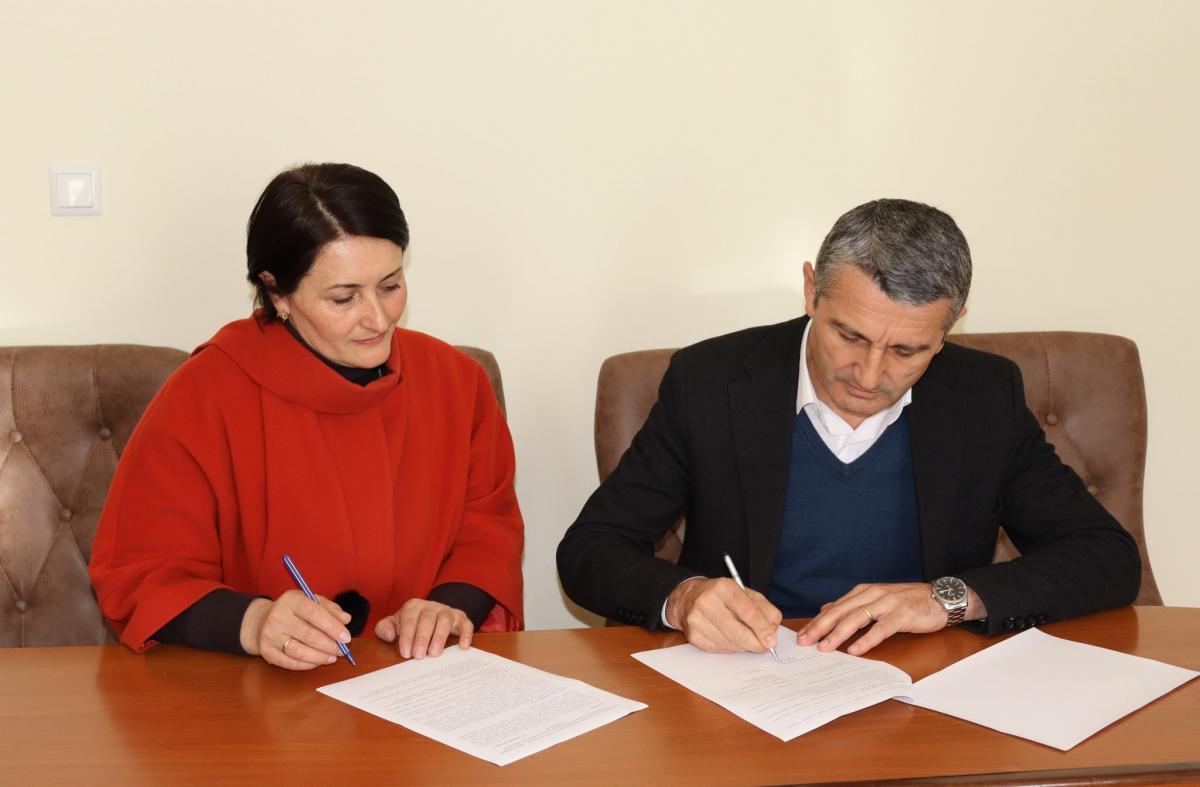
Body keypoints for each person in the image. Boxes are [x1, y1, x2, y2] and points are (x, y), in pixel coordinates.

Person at [557, 198, 1140, 657]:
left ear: (950, 328)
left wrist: (947, 599)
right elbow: (589, 549)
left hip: (923, 682)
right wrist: (683, 598)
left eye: (907, 350)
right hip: (751, 676)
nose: (869, 374)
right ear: (812, 291)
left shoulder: (983, 395)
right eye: (850, 336)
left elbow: (1106, 557)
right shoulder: (710, 381)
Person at [90, 163, 524, 670]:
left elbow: (488, 528)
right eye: (344, 298)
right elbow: (142, 571)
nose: (378, 318)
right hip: (256, 690)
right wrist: (254, 621)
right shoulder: (204, 394)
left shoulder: (456, 382)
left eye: (390, 286)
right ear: (277, 292)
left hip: (417, 678)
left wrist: (446, 606)